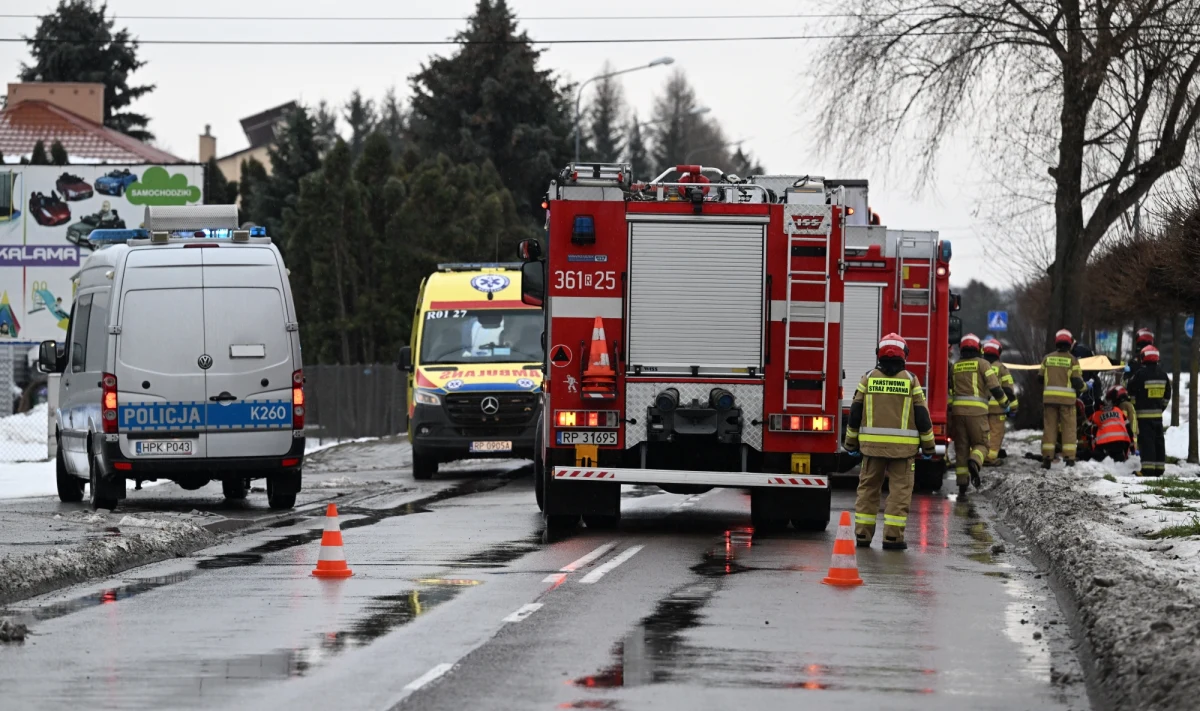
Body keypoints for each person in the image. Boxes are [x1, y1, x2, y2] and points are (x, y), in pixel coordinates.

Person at [844, 333, 936, 550]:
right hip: (903, 452)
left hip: (871, 449)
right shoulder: (911, 380)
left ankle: (863, 536)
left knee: (868, 490)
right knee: (899, 493)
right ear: (904, 355)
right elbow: (922, 416)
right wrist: (929, 446)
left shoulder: (868, 378)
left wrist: (850, 443)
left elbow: (855, 412)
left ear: (879, 354)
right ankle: (893, 538)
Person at [950, 333, 1009, 496]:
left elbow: (950, 389)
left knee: (961, 448)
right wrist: (1005, 403)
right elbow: (995, 386)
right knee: (982, 444)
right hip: (977, 412)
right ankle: (974, 462)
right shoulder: (983, 364)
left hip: (957, 413)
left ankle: (962, 483)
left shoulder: (955, 366)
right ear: (979, 348)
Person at [1038, 329, 1085, 469]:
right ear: (1070, 343)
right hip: (1068, 402)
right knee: (1069, 428)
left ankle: (1047, 458)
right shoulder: (1073, 360)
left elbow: (1039, 378)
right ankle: (1069, 458)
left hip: (1049, 400)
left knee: (1049, 428)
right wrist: (1084, 388)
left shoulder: (1047, 358)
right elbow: (1077, 382)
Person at [1127, 345, 1171, 476]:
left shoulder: (1140, 374)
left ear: (1143, 358)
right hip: (1157, 416)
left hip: (1143, 416)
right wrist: (1160, 408)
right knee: (1158, 441)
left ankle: (1147, 469)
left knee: (1147, 442)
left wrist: (1134, 407)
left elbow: (1131, 390)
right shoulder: (1163, 374)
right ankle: (1159, 468)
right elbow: (1167, 396)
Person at [982, 339, 1017, 466]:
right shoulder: (1001, 368)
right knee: (996, 432)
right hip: (998, 407)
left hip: (981, 407)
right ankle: (990, 457)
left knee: (981, 432)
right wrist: (1013, 407)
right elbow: (1008, 390)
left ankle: (978, 456)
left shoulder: (980, 366)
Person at [1089, 391, 1134, 462]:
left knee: (1098, 456)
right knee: (1118, 458)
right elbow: (1128, 428)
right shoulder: (1118, 410)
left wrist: (1094, 447)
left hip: (1105, 444)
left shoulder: (1096, 414)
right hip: (1121, 442)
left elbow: (1089, 429)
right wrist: (1132, 448)